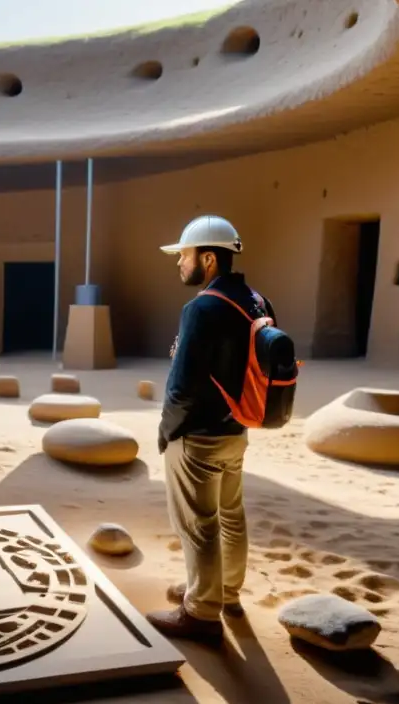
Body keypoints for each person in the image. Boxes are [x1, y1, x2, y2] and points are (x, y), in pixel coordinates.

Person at [145, 215, 277, 643]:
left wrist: (167, 432)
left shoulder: (201, 307)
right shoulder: (258, 302)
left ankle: (201, 613)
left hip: (198, 435)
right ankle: (225, 591)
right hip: (236, 430)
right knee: (230, 517)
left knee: (199, 524)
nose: (179, 264)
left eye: (183, 256)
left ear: (207, 258)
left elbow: (182, 387)